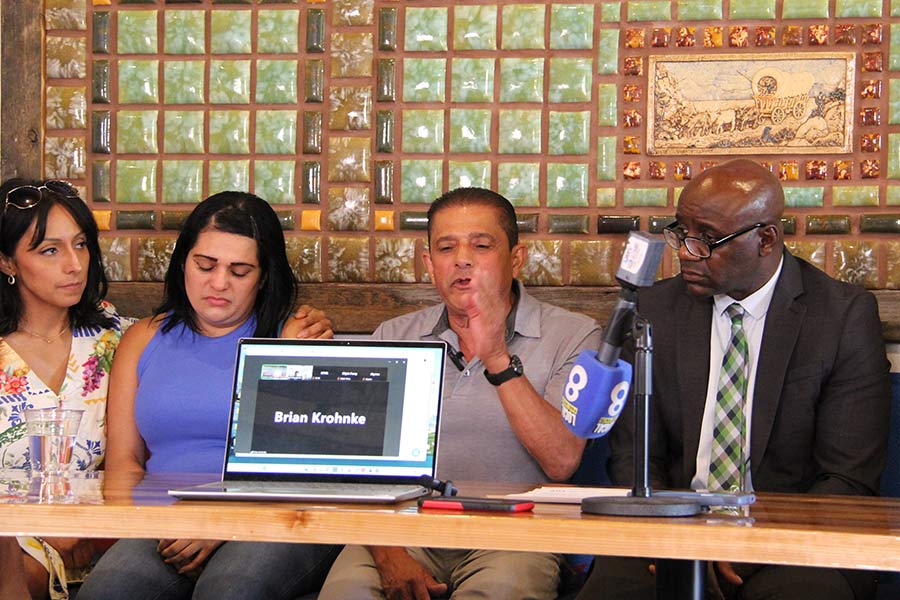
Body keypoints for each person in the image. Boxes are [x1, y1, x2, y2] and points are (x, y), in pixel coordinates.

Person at [578, 159, 890, 600]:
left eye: (706, 239)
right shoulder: (655, 311)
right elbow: (634, 457)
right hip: (671, 531)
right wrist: (681, 539)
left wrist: (751, 539)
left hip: (795, 541)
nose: (686, 251)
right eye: (680, 232)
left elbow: (848, 477)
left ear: (766, 240)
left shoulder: (841, 316)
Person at [315, 187, 602, 600]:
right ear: (430, 264)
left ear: (516, 259)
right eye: (447, 248)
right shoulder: (393, 338)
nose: (462, 259)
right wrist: (386, 550)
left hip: (516, 535)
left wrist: (498, 357)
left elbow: (561, 461)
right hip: (400, 531)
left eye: (482, 245)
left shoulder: (573, 335)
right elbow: (356, 468)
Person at [78, 192, 339, 600]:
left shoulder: (294, 336)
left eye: (239, 271)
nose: (219, 283)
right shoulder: (143, 338)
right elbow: (124, 462)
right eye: (205, 265)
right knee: (109, 591)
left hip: (272, 517)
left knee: (229, 590)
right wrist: (140, 525)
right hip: (162, 522)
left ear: (264, 276)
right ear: (184, 261)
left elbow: (310, 465)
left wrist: (221, 520)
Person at [0, 178, 132, 599]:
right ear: (7, 262)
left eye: (81, 244)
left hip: (101, 540)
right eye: (50, 250)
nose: (75, 264)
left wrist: (289, 327)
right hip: (13, 537)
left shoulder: (118, 338)